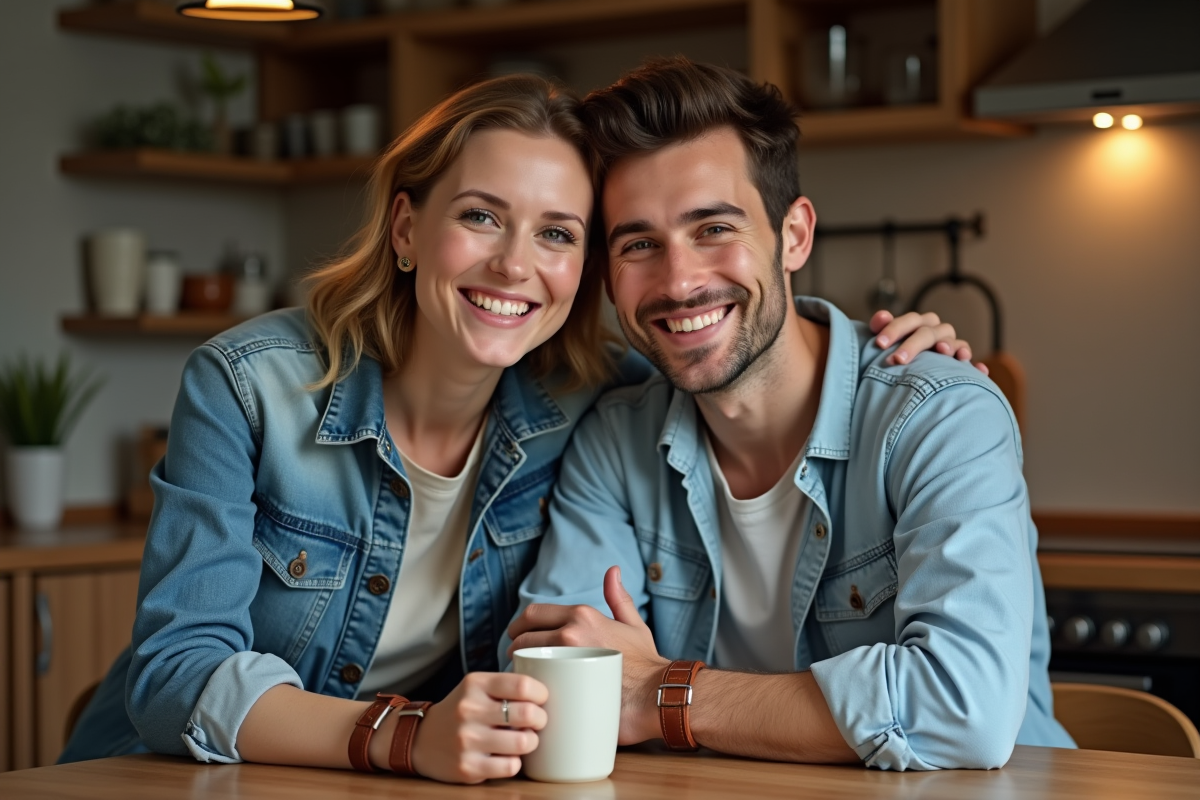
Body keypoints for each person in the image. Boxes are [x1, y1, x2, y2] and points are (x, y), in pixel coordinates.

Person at [61, 74, 975, 783]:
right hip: (174, 777)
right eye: (481, 217)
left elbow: (734, 339)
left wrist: (894, 357)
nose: (515, 265)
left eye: (559, 234)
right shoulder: (248, 386)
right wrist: (403, 733)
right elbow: (176, 672)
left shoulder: (598, 401)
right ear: (408, 228)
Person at [506, 57, 1076, 771]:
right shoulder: (616, 442)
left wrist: (663, 693)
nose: (679, 281)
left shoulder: (937, 416)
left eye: (713, 228)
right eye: (640, 244)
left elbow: (961, 713)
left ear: (795, 235)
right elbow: (558, 691)